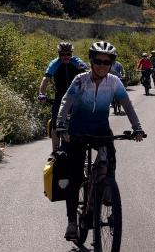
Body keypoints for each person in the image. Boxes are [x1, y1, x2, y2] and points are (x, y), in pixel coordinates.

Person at [56, 41, 145, 241]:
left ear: (112, 63)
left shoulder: (114, 82)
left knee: (110, 158)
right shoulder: (80, 80)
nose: (102, 65)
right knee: (75, 176)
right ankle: (72, 222)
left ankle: (107, 190)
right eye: (98, 61)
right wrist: (61, 125)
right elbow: (66, 102)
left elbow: (128, 106)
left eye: (107, 62)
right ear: (91, 61)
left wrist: (137, 127)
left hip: (100, 130)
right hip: (77, 131)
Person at [38, 42, 87, 153]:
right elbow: (46, 79)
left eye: (68, 54)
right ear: (59, 54)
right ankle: (54, 152)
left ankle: (81, 147)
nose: (66, 57)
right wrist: (42, 93)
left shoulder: (76, 61)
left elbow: (87, 74)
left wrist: (84, 68)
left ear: (71, 54)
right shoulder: (55, 63)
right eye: (63, 54)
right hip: (60, 97)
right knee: (55, 124)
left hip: (76, 97)